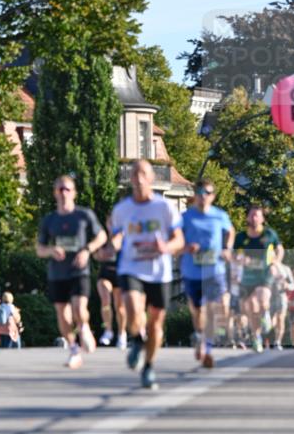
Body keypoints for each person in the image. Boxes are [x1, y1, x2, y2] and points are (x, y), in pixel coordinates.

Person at [110, 159, 184, 389]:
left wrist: (166, 247)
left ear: (151, 178)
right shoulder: (122, 209)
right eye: (135, 173)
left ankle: (149, 367)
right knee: (133, 311)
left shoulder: (164, 207)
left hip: (159, 272)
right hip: (131, 267)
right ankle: (136, 340)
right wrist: (112, 244)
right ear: (131, 179)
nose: (139, 178)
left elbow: (179, 240)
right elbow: (116, 235)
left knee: (155, 325)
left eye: (143, 173)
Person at [36, 175, 106, 369]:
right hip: (57, 273)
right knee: (63, 314)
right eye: (60, 189)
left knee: (79, 308)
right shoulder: (49, 220)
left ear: (74, 193)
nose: (63, 192)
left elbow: (101, 236)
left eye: (67, 189)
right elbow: (39, 249)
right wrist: (51, 250)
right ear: (55, 193)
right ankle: (74, 349)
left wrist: (87, 250)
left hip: (79, 270)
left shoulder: (84, 215)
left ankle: (84, 327)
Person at [179, 180, 234, 368]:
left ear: (213, 196)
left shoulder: (220, 216)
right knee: (198, 311)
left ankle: (207, 348)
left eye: (207, 192)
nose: (203, 196)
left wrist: (227, 248)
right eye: (200, 192)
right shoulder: (185, 217)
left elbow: (230, 231)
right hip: (192, 271)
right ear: (195, 195)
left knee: (213, 308)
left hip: (215, 270)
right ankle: (200, 337)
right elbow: (175, 240)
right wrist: (186, 247)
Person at [234, 205, 283, 353]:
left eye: (257, 215)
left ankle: (266, 315)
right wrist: (240, 260)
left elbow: (280, 250)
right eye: (252, 215)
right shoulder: (241, 237)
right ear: (247, 218)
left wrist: (275, 263)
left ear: (262, 218)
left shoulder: (269, 234)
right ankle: (256, 337)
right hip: (247, 276)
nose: (254, 218)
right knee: (252, 307)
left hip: (265, 273)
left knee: (262, 298)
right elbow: (234, 255)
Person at [95, 238, 127, 349]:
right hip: (105, 274)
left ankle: (122, 334)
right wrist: (100, 254)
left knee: (120, 307)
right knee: (105, 300)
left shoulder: (126, 236)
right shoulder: (103, 238)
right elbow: (95, 254)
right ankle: (108, 330)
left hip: (121, 275)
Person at [269, 257, 294, 350]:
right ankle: (270, 338)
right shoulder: (268, 267)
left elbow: (293, 285)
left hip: (281, 296)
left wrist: (287, 285)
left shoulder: (286, 268)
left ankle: (278, 341)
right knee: (271, 321)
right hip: (270, 296)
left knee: (280, 319)